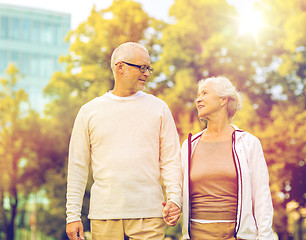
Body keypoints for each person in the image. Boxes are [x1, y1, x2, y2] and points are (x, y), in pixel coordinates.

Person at [66, 42, 182, 240]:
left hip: (149, 214)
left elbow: (171, 160)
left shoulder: (159, 108)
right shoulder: (89, 111)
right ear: (120, 67)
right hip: (104, 215)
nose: (147, 73)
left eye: (149, 68)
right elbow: (77, 167)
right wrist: (72, 216)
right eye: (142, 67)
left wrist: (175, 199)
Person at [173, 76, 274, 239]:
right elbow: (177, 187)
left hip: (237, 235)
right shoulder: (189, 145)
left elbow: (261, 195)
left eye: (204, 93)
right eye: (198, 95)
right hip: (197, 234)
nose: (198, 100)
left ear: (223, 100)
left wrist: (265, 236)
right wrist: (173, 204)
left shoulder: (248, 143)